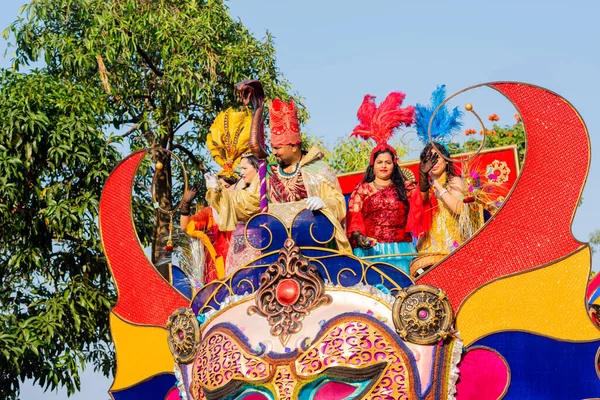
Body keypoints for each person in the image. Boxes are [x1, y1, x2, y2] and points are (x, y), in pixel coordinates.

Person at [346, 92, 422, 274]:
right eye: (380, 162)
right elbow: (354, 217)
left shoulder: (406, 187)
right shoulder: (362, 190)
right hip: (371, 251)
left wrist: (426, 177)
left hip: (401, 251)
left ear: (394, 164)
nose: (384, 166)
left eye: (388, 162)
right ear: (373, 164)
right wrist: (358, 236)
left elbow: (423, 203)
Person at [180, 107, 258, 282]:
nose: (224, 190)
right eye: (220, 187)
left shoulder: (246, 204)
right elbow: (187, 227)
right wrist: (185, 205)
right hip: (218, 273)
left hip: (246, 267)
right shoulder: (211, 213)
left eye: (226, 186)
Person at [266, 98, 350, 253]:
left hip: (315, 245)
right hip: (277, 248)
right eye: (273, 148)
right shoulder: (269, 174)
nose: (274, 152)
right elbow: (249, 203)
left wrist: (324, 203)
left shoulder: (318, 169)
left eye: (278, 148)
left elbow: (339, 203)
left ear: (293, 146)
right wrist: (220, 195)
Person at [414, 86, 482, 266]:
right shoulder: (422, 187)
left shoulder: (455, 181)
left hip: (452, 247)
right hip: (428, 251)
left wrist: (438, 185)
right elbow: (418, 205)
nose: (434, 162)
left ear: (446, 161)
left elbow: (459, 209)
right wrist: (424, 178)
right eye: (429, 159)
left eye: (437, 157)